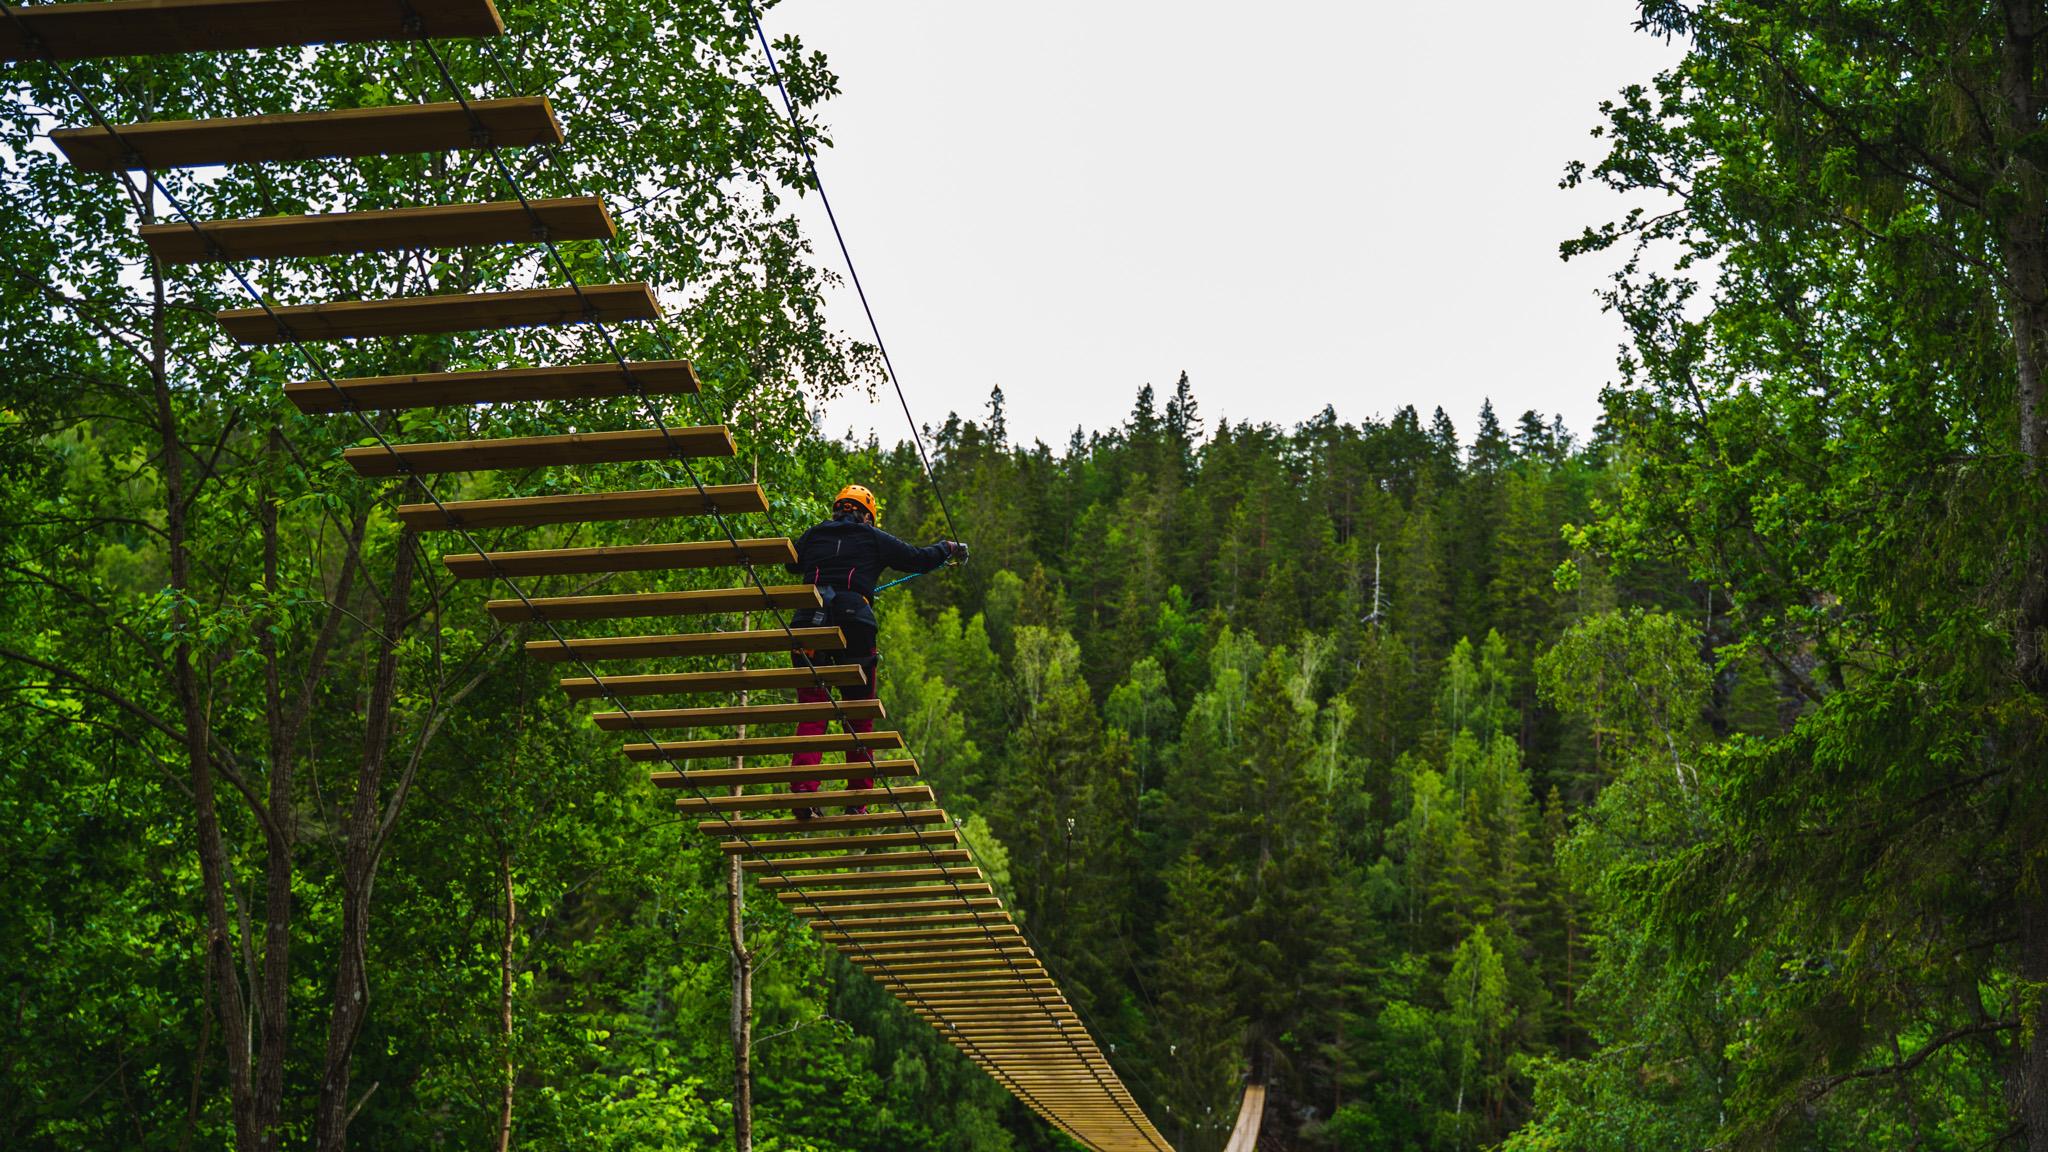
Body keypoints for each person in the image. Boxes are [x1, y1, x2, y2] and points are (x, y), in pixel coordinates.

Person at [784, 483, 967, 818]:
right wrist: (947, 547)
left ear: (837, 508)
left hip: (809, 620)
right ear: (867, 515)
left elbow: (791, 566)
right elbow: (917, 559)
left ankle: (802, 790)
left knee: (813, 707)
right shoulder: (872, 537)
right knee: (859, 712)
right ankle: (857, 799)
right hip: (854, 621)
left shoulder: (813, 535)